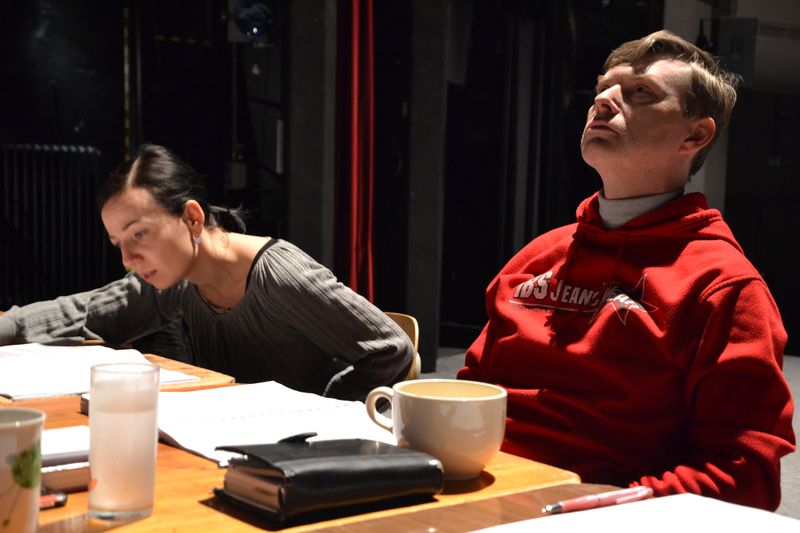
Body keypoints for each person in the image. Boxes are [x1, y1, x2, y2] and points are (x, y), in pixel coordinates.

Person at [458, 30, 795, 510]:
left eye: (640, 92)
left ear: (695, 135)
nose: (604, 101)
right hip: (471, 487)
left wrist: (596, 508)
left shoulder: (725, 287)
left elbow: (745, 476)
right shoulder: (538, 256)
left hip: (580, 512)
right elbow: (467, 397)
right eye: (603, 89)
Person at [0, 143, 415, 401]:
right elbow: (88, 312)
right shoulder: (177, 280)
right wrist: (10, 325)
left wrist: (323, 406)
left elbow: (391, 349)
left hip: (305, 455)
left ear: (192, 218)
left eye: (139, 234)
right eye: (118, 243)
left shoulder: (279, 276)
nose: (128, 258)